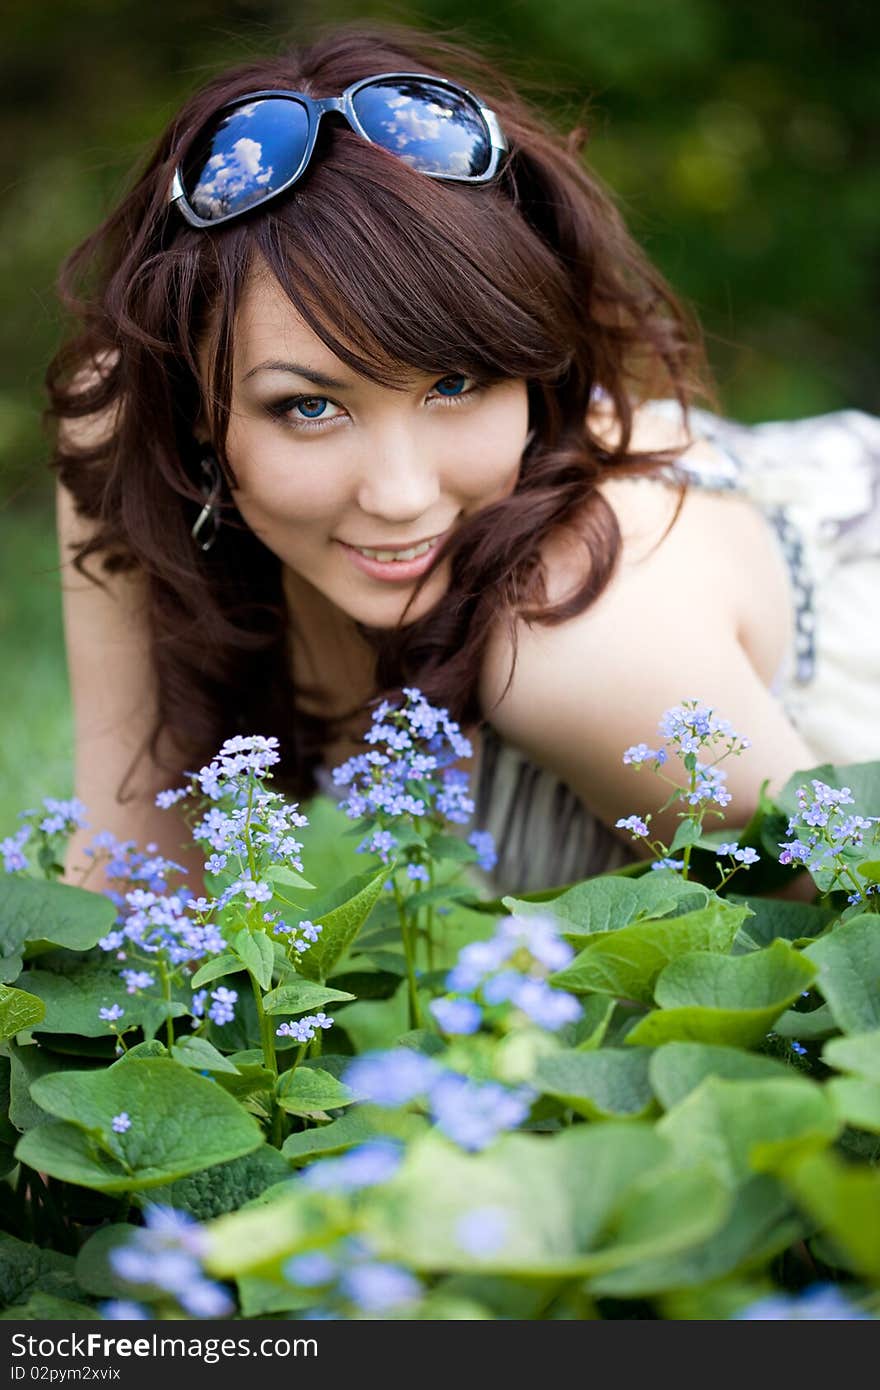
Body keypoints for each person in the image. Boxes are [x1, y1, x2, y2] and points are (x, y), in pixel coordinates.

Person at [50, 21, 879, 905]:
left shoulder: (589, 641)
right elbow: (132, 876)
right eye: (310, 407)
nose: (402, 496)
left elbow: (850, 952)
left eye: (456, 383)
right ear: (194, 413)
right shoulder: (130, 440)